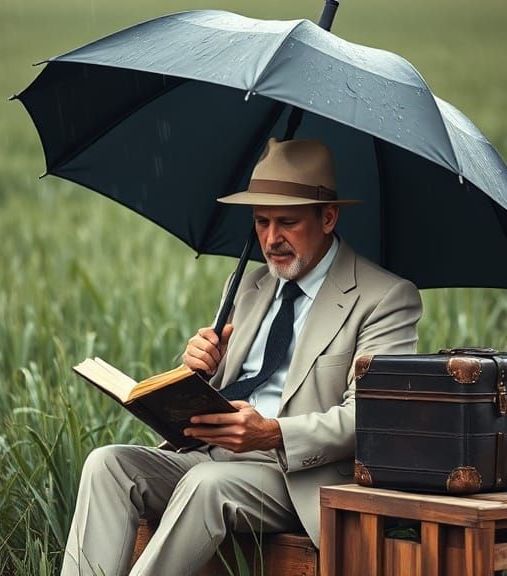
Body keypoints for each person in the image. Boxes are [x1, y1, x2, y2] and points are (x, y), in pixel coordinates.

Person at [61, 138, 422, 575]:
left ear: (328, 217)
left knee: (206, 485)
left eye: (287, 222)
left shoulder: (384, 298)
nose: (271, 239)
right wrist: (196, 371)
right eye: (261, 222)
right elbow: (224, 393)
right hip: (212, 456)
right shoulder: (250, 286)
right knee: (108, 465)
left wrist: (271, 433)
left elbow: (372, 417)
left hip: (296, 478)